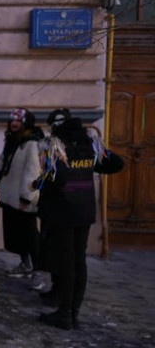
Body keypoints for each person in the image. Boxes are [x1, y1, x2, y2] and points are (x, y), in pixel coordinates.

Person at [36, 108, 124, 330]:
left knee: (66, 262)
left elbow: (52, 179)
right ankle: (73, 312)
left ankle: (64, 314)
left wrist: (39, 185)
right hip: (84, 209)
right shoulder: (89, 143)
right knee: (79, 260)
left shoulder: (56, 145)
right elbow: (117, 163)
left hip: (62, 211)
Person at [0, 108, 46, 290]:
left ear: (25, 124)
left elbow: (33, 171)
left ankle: (37, 271)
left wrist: (26, 197)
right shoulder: (13, 140)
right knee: (15, 234)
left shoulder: (31, 143)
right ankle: (25, 264)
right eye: (12, 121)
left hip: (23, 198)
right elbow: (2, 165)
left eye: (18, 121)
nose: (14, 124)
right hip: (9, 196)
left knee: (30, 235)